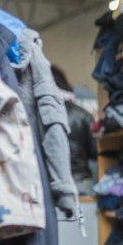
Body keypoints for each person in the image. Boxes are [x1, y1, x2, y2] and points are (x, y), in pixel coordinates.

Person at [50, 66, 97, 196]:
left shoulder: (40, 117)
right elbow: (95, 152)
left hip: (51, 184)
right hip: (81, 182)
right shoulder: (83, 115)